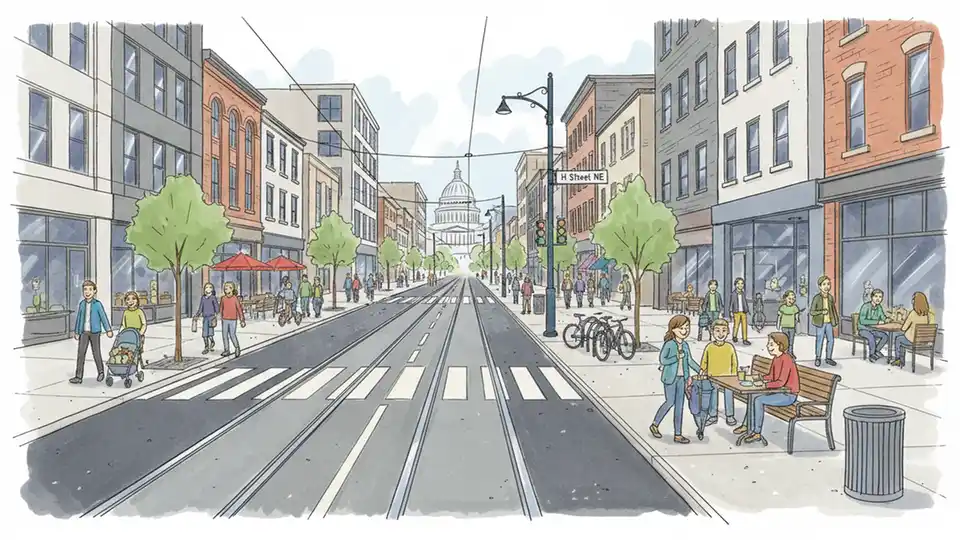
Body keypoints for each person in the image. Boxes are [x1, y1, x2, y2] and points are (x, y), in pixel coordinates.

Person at [735, 332, 799, 444]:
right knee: (753, 395)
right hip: (778, 392)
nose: (768, 346)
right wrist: (759, 378)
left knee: (759, 400)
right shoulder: (776, 359)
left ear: (780, 345)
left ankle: (757, 433)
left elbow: (781, 382)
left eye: (771, 344)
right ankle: (747, 425)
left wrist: (764, 385)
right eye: (768, 344)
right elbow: (771, 376)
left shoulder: (787, 359)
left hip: (788, 395)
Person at [650, 315, 700, 444]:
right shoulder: (669, 344)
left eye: (687, 328)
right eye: (681, 328)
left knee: (680, 406)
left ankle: (678, 434)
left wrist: (700, 370)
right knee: (669, 402)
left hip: (682, 379)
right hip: (670, 378)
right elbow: (663, 360)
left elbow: (690, 361)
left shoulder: (685, 345)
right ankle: (655, 424)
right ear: (673, 329)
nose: (684, 331)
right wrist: (676, 357)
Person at [699, 318, 739, 426]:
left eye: (724, 330)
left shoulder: (729, 347)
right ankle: (713, 415)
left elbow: (734, 363)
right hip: (713, 377)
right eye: (717, 330)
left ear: (728, 332)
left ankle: (730, 415)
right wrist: (702, 371)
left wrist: (734, 376)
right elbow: (704, 361)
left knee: (729, 393)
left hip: (727, 378)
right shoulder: (709, 347)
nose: (721, 334)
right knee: (713, 393)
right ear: (712, 332)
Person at [71, 280, 112, 384]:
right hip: (83, 332)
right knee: (81, 354)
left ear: (94, 291)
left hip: (95, 332)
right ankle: (78, 376)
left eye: (90, 289)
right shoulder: (82, 304)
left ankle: (101, 372)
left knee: (96, 352)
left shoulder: (97, 304)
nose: (87, 292)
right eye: (85, 289)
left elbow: (103, 317)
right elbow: (79, 318)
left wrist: (108, 330)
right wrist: (76, 331)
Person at [891, 292, 936, 367]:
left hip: (913, 341)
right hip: (923, 341)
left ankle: (899, 360)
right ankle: (900, 360)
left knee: (898, 339)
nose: (912, 301)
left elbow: (904, 328)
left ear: (916, 301)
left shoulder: (913, 313)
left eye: (913, 299)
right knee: (901, 339)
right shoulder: (928, 314)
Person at [810, 275, 840, 368]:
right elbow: (812, 312)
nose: (826, 286)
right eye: (824, 284)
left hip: (829, 323)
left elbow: (833, 310)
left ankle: (828, 358)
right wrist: (821, 312)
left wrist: (836, 320)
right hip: (820, 323)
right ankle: (818, 358)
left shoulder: (830, 297)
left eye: (828, 284)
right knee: (820, 340)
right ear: (820, 286)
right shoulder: (816, 298)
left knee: (831, 340)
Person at [858, 288, 889, 362]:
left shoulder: (879, 307)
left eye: (880, 297)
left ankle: (876, 351)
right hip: (863, 329)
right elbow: (862, 321)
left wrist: (887, 319)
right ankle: (871, 355)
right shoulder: (866, 306)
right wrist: (877, 322)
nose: (878, 299)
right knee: (871, 337)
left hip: (873, 329)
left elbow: (883, 317)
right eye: (876, 296)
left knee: (885, 336)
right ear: (872, 297)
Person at [120, 291, 148, 370]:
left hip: (138, 334)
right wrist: (121, 333)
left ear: (137, 301)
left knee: (136, 350)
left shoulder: (139, 312)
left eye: (133, 299)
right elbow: (123, 325)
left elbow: (144, 324)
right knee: (124, 348)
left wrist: (140, 333)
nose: (131, 301)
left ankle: (136, 364)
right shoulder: (126, 312)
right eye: (128, 299)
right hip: (128, 334)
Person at [220, 281, 246, 358]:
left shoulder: (235, 299)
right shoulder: (223, 298)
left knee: (232, 335)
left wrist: (242, 320)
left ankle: (237, 347)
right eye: (225, 288)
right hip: (224, 319)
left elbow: (239, 309)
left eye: (227, 288)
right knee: (224, 335)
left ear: (231, 289)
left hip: (233, 320)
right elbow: (221, 308)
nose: (225, 290)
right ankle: (226, 350)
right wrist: (221, 316)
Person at [194, 282, 219, 354]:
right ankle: (206, 347)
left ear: (212, 289)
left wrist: (217, 314)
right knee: (205, 334)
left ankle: (212, 342)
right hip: (205, 318)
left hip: (211, 318)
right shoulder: (203, 298)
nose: (208, 289)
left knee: (210, 334)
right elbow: (200, 308)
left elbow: (216, 307)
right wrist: (197, 315)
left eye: (210, 287)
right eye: (206, 287)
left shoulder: (213, 298)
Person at [777, 290, 801, 355]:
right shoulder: (782, 307)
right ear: (785, 298)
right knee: (785, 341)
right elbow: (779, 317)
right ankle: (785, 353)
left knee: (791, 341)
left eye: (793, 299)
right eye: (789, 299)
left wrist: (798, 325)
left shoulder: (795, 307)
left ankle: (790, 353)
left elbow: (797, 318)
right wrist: (778, 325)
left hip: (792, 327)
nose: (791, 300)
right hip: (784, 327)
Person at [729, 277, 751, 345]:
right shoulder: (733, 294)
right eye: (738, 283)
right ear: (735, 285)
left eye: (742, 283)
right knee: (736, 325)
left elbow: (745, 302)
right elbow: (731, 303)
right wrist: (731, 311)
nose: (740, 285)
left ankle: (745, 339)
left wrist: (747, 309)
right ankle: (734, 336)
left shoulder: (743, 293)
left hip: (743, 311)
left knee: (744, 325)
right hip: (736, 311)